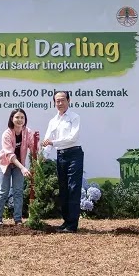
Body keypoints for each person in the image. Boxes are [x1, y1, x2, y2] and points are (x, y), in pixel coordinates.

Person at [42, 91, 83, 233]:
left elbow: (72, 137)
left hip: (74, 154)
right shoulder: (53, 121)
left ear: (68, 100)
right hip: (61, 155)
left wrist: (53, 142)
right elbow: (47, 140)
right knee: (63, 189)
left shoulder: (74, 117)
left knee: (73, 188)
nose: (60, 103)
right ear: (54, 103)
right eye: (57, 101)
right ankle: (66, 222)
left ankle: (72, 225)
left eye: (62, 100)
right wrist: (44, 155)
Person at [0, 108, 34, 226]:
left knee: (18, 191)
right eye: (17, 117)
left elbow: (33, 148)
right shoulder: (6, 134)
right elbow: (9, 155)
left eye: (22, 117)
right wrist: (23, 168)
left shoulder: (28, 132)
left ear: (25, 119)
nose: (19, 120)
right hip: (6, 164)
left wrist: (38, 147)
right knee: (4, 191)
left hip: (19, 165)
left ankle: (18, 219)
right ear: (12, 119)